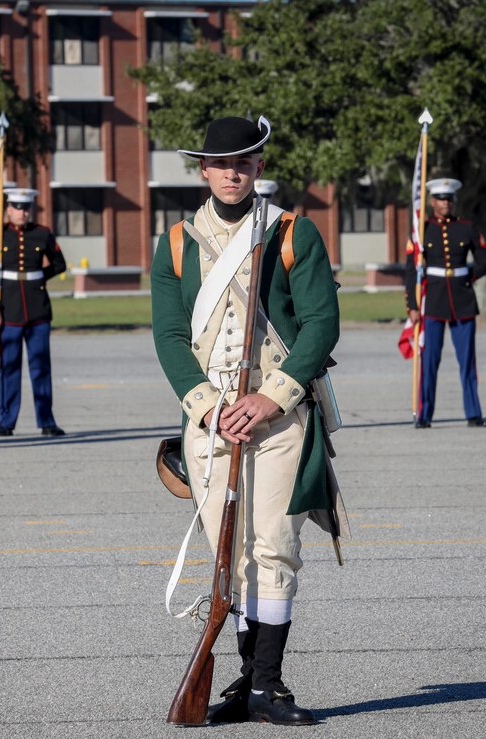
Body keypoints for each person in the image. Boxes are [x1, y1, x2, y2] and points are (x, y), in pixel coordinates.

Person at [151, 116, 341, 725]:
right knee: (228, 554)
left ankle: (267, 685)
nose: (232, 172)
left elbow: (321, 325)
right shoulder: (177, 243)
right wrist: (208, 406)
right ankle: (242, 679)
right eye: (220, 162)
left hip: (277, 418)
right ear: (203, 170)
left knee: (274, 547)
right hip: (211, 423)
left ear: (258, 166)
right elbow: (170, 336)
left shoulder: (293, 232)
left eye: (244, 161)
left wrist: (272, 398)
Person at [405, 177, 486, 428]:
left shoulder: (467, 227)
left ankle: (473, 413)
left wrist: (468, 276)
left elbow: (485, 260)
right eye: (441, 199)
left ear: (454, 201)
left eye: (449, 199)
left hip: (463, 299)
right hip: (432, 300)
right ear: (432, 201)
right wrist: (412, 304)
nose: (445, 203)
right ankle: (424, 415)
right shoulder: (422, 230)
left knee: (467, 361)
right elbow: (411, 269)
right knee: (429, 360)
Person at [0, 188, 67, 437]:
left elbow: (59, 264)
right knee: (9, 367)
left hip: (37, 308)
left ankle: (46, 420)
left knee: (40, 367)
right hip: (8, 310)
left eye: (26, 207)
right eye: (17, 207)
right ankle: (6, 421)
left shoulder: (42, 234)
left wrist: (37, 278)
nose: (22, 212)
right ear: (7, 209)